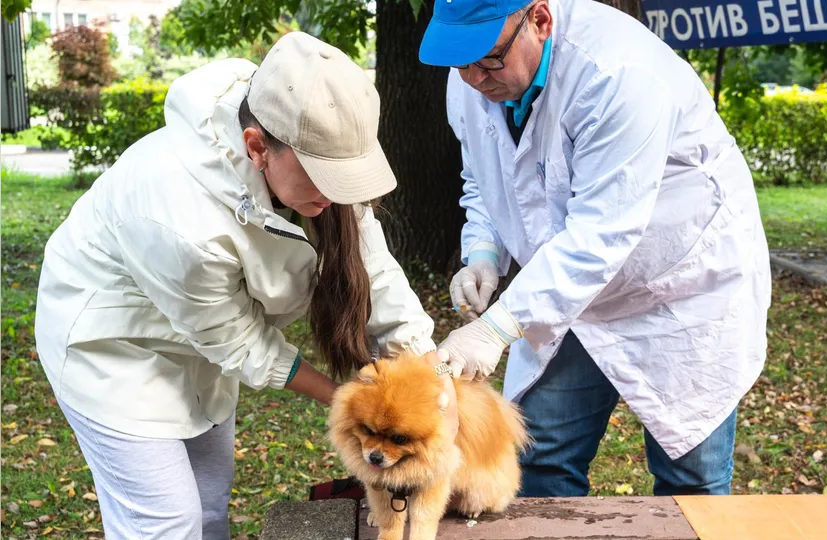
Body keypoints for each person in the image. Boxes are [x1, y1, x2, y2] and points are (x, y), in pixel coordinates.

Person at [34, 32, 456, 539]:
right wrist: (350, 401)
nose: (335, 195)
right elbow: (240, 341)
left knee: (210, 500)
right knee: (167, 521)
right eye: (321, 177)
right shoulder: (182, 220)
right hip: (111, 346)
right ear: (257, 147)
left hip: (196, 338)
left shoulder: (306, 136)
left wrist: (430, 380)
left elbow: (376, 270)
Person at [425, 0, 772, 497]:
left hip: (679, 289)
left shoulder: (617, 71)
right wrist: (482, 248)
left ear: (539, 20)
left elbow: (602, 233)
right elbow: (485, 175)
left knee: (691, 481)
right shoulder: (471, 77)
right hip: (565, 293)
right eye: (460, 63)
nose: (475, 79)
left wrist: (496, 327)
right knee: (539, 460)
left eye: (490, 60)